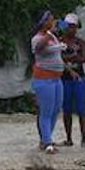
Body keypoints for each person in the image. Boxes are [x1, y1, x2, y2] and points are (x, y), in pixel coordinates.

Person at [31, 11, 65, 153]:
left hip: (56, 78)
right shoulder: (38, 38)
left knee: (55, 109)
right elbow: (38, 48)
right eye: (50, 20)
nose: (53, 22)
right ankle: (47, 142)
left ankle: (46, 138)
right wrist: (48, 34)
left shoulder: (53, 38)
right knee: (46, 111)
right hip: (44, 79)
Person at [58, 14, 85, 147]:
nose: (70, 29)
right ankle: (69, 137)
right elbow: (58, 59)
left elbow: (84, 58)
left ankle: (83, 137)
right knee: (67, 109)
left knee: (82, 108)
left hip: (79, 78)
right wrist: (73, 56)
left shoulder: (80, 42)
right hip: (64, 78)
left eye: (73, 27)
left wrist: (68, 58)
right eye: (68, 26)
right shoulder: (60, 42)